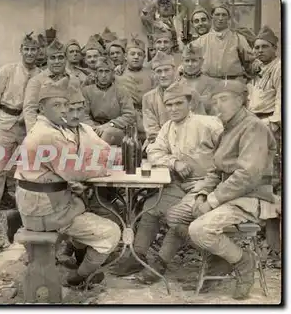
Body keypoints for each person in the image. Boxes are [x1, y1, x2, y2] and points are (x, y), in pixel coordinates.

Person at [164, 79, 279, 299]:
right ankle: (221, 258)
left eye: (224, 99)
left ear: (241, 100)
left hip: (249, 197)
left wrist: (212, 201)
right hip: (225, 194)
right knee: (175, 216)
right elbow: (216, 171)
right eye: (215, 100)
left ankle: (243, 260)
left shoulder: (254, 127)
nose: (218, 105)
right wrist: (200, 195)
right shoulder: (228, 127)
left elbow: (247, 176)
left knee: (199, 229)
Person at [15, 77, 121, 287]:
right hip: (45, 211)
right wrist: (102, 169)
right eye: (57, 105)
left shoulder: (52, 129)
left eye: (65, 104)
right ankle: (79, 278)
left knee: (87, 205)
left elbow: (69, 170)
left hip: (41, 203)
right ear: (41, 108)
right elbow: (76, 171)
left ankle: (75, 256)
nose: (64, 110)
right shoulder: (49, 135)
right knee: (111, 232)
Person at [112, 82, 223, 281]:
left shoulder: (209, 124)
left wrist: (212, 180)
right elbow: (153, 151)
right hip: (179, 182)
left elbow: (229, 152)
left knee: (178, 216)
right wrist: (174, 162)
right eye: (169, 105)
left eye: (178, 103)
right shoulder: (168, 126)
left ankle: (160, 264)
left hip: (205, 186)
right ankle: (137, 256)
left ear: (189, 103)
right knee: (151, 207)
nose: (173, 109)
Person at [0, 32, 41, 221]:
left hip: (28, 125)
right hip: (5, 120)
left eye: (33, 50)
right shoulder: (8, 70)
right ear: (21, 51)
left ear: (38, 52)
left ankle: (23, 206)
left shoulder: (40, 75)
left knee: (25, 167)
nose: (30, 53)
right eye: (27, 49)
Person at [142, 51, 205, 144]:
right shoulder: (148, 98)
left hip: (187, 142)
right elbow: (152, 130)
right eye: (159, 71)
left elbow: (200, 123)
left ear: (174, 71)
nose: (163, 75)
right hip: (159, 143)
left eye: (167, 70)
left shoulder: (191, 93)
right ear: (154, 74)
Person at [247, 25, 281, 192]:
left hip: (270, 121)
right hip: (255, 120)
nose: (260, 50)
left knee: (272, 165)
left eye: (264, 46)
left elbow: (282, 99)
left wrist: (273, 123)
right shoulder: (258, 67)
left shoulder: (279, 68)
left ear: (275, 48)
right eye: (257, 47)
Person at [23, 37, 83, 132]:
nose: (57, 62)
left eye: (60, 57)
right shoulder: (37, 81)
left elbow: (79, 108)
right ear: (47, 60)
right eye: (52, 58)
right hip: (45, 129)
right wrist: (34, 133)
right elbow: (30, 111)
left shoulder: (73, 79)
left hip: (69, 129)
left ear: (66, 59)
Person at [191, 1, 254, 83]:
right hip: (208, 86)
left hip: (232, 85)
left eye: (224, 15)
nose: (220, 18)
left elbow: (251, 63)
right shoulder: (200, 42)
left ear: (228, 18)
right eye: (217, 14)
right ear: (212, 17)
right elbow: (190, 63)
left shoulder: (239, 39)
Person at [81, 57, 137, 146]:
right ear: (96, 73)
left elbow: (129, 115)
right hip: (94, 128)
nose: (103, 75)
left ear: (113, 74)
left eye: (107, 71)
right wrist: (94, 128)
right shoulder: (87, 91)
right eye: (100, 71)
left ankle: (100, 156)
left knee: (107, 133)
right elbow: (83, 114)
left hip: (116, 129)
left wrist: (110, 125)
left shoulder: (121, 91)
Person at [115, 35, 155, 142]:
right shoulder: (118, 75)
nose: (136, 57)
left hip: (148, 117)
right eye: (132, 54)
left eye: (140, 54)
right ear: (125, 56)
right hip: (127, 119)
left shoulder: (152, 75)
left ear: (144, 57)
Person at [177, 43, 219, 115]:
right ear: (182, 62)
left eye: (194, 60)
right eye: (187, 61)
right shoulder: (177, 83)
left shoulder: (212, 83)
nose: (190, 64)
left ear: (201, 62)